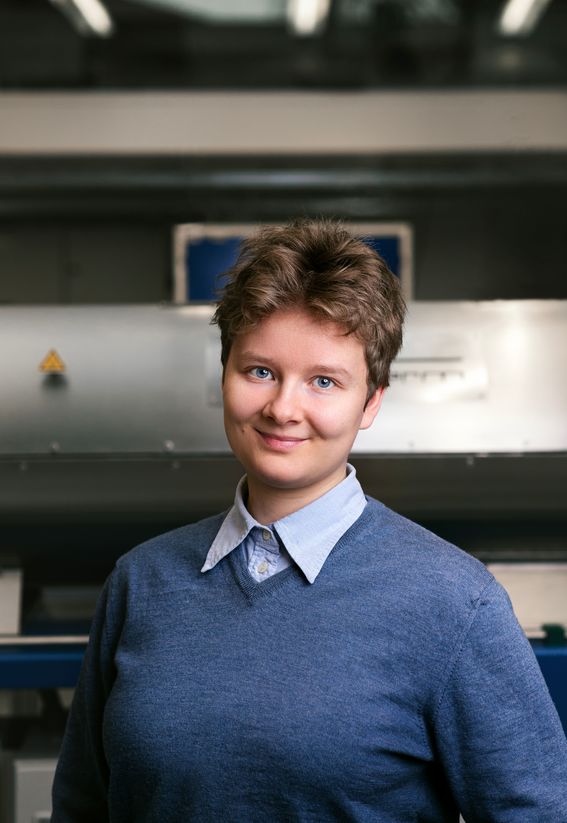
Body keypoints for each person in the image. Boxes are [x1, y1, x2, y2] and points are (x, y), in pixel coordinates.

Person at [51, 219, 567, 822]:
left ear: (371, 401)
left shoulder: (454, 603)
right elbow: (82, 804)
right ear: (225, 376)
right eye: (260, 371)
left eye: (324, 381)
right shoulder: (141, 583)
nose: (283, 409)